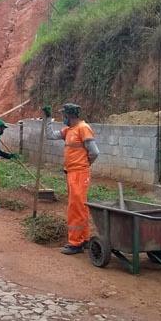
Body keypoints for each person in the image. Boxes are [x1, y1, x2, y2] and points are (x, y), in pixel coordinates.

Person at [43, 103, 100, 255]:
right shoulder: (68, 130)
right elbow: (50, 135)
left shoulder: (83, 128)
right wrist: (48, 119)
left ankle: (75, 243)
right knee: (80, 206)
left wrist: (85, 164)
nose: (63, 118)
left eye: (64, 115)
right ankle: (84, 238)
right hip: (71, 173)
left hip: (79, 173)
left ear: (70, 115)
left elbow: (94, 152)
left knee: (75, 207)